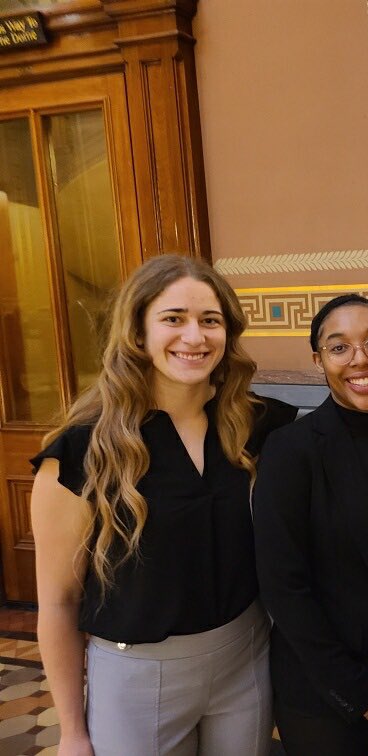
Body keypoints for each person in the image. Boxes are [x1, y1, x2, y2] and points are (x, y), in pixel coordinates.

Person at [29, 254, 296, 756]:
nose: (194, 337)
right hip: (137, 675)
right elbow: (59, 602)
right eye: (174, 318)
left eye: (210, 320)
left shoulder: (261, 426)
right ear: (137, 332)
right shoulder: (82, 451)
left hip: (245, 659)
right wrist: (72, 732)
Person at [253, 294, 368, 755]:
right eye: (339, 348)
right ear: (319, 360)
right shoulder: (290, 450)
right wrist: (357, 687)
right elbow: (283, 586)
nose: (360, 360)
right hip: (324, 693)